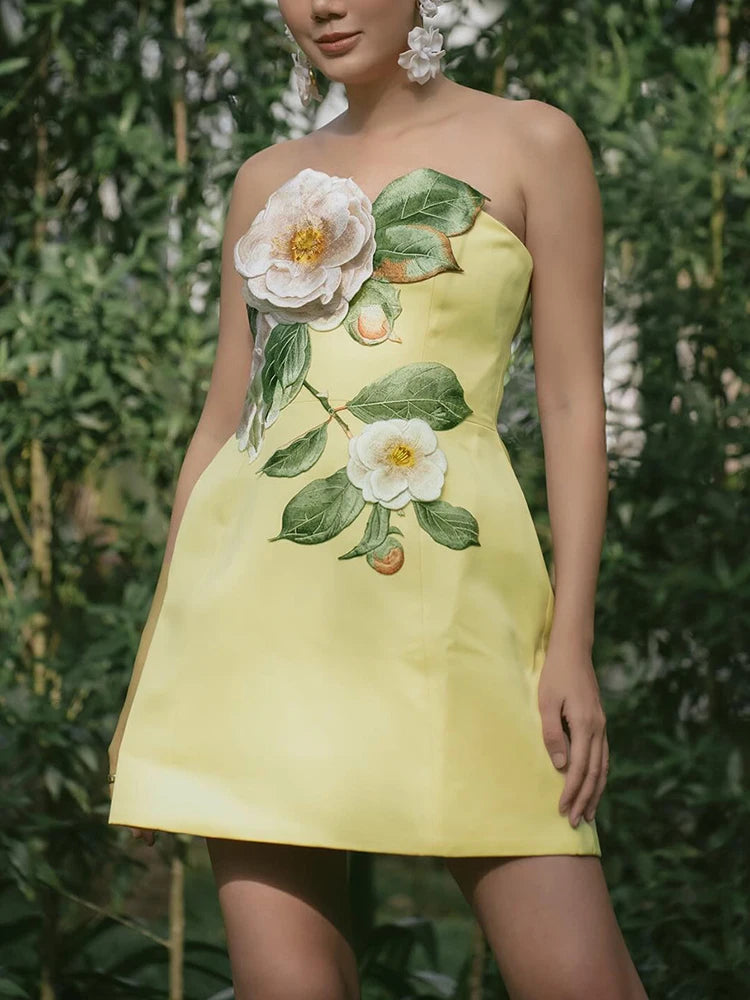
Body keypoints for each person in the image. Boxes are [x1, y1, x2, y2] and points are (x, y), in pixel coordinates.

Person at [107, 1, 650, 997]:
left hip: (460, 619)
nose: (320, 4)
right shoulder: (266, 178)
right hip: (254, 630)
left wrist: (570, 640)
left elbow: (575, 406)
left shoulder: (535, 142)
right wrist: (156, 664)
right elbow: (223, 425)